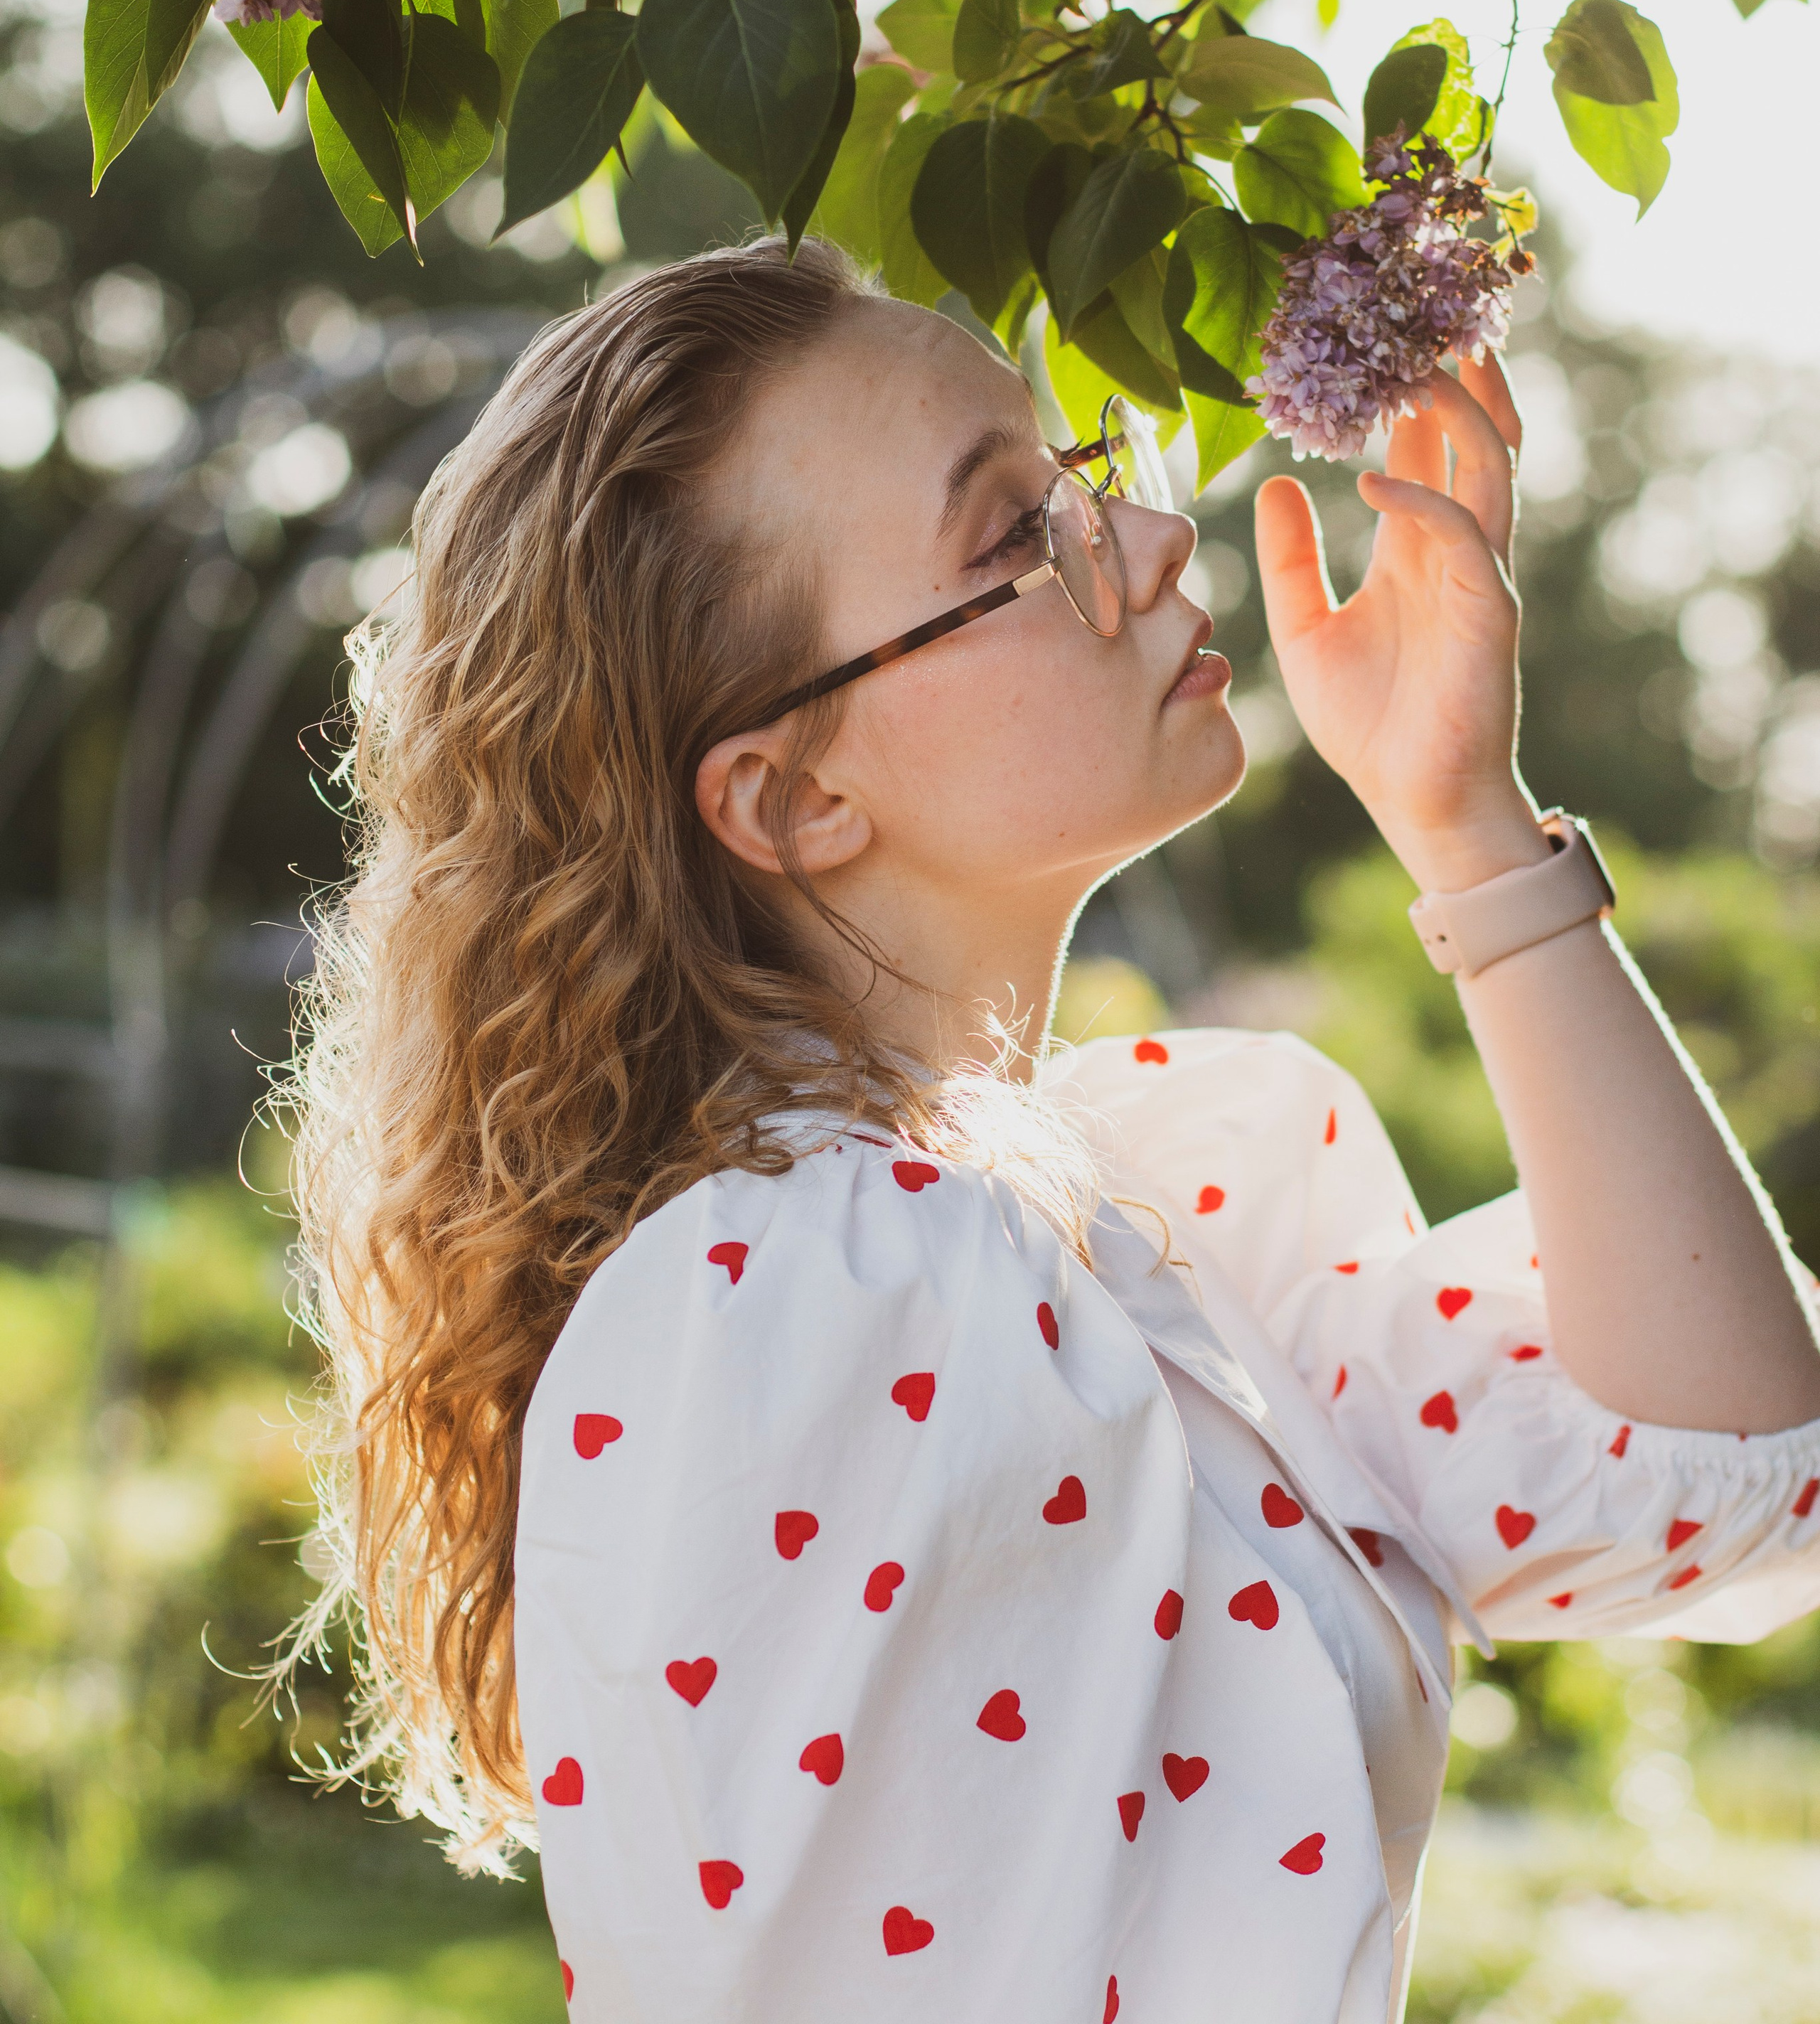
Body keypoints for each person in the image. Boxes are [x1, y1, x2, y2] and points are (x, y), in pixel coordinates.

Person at [284, 235, 1820, 2024]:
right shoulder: (795, 1291)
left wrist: (1466, 830)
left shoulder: (1142, 1209)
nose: (1155, 538)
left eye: (1073, 481)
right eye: (1012, 536)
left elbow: (1736, 1475)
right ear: (790, 796)